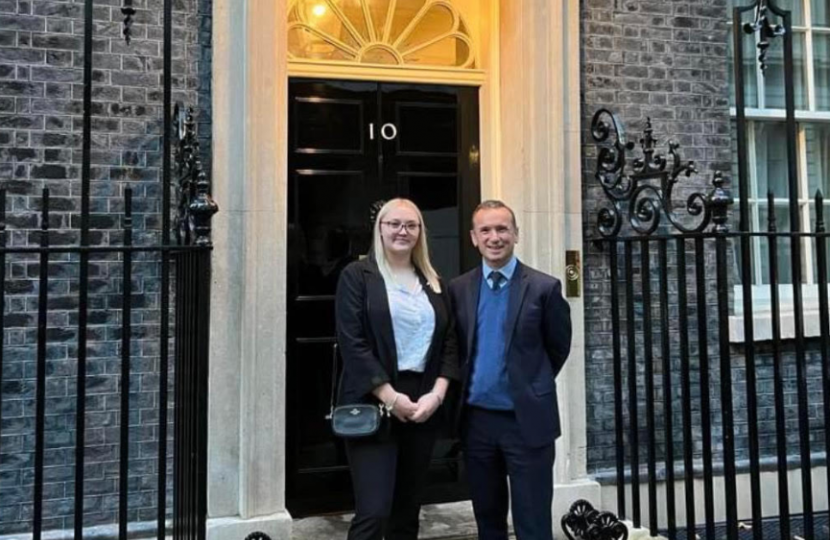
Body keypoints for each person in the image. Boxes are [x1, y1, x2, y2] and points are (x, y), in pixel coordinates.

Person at [335, 198, 459, 540]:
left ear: (420, 232)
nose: (403, 231)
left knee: (407, 511)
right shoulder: (357, 276)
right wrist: (390, 396)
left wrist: (437, 394)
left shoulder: (435, 282)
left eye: (411, 225)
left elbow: (450, 343)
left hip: (423, 403)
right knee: (374, 512)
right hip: (375, 400)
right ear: (380, 229)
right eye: (395, 224)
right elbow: (352, 343)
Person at [448, 200, 572, 540]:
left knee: (532, 523)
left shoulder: (544, 288)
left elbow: (557, 347)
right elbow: (455, 348)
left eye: (502, 228)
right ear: (474, 237)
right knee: (488, 521)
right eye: (485, 230)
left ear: (515, 233)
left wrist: (530, 385)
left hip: (526, 422)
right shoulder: (458, 289)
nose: (494, 237)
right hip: (477, 423)